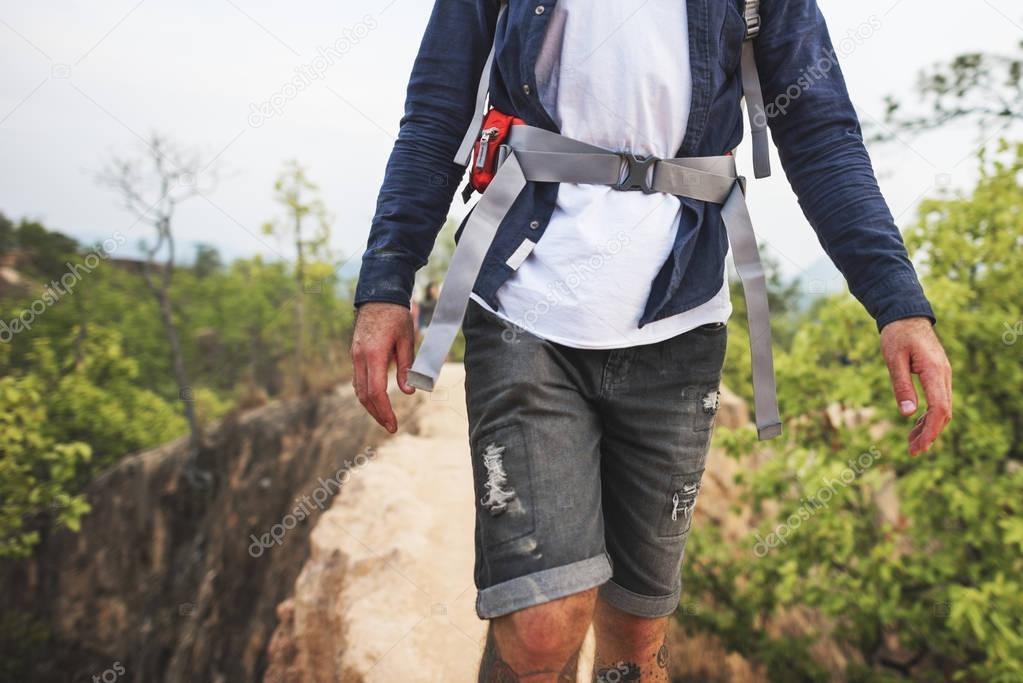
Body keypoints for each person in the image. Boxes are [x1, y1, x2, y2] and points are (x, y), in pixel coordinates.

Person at [351, 1, 953, 680]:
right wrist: (385, 281)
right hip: (525, 297)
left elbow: (819, 133)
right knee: (543, 624)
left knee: (636, 637)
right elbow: (436, 110)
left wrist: (898, 305)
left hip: (679, 315)